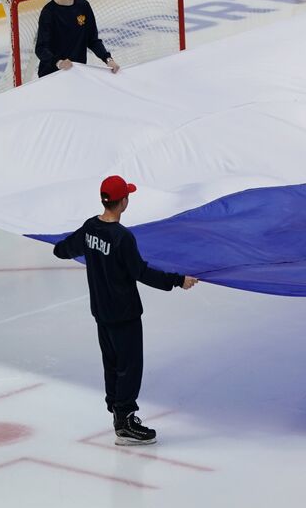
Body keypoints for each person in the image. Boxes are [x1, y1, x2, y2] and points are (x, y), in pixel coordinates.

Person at [53, 176, 198, 445]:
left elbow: (63, 250)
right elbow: (140, 272)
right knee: (129, 366)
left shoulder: (89, 229)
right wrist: (178, 280)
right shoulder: (122, 237)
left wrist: (60, 246)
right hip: (125, 313)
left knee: (112, 364)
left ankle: (118, 415)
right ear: (123, 202)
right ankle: (126, 420)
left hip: (101, 311)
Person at [35, 0, 120, 79]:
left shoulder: (84, 6)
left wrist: (108, 59)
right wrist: (59, 63)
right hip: (52, 76)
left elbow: (92, 40)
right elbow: (41, 49)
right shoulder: (49, 12)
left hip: (77, 73)